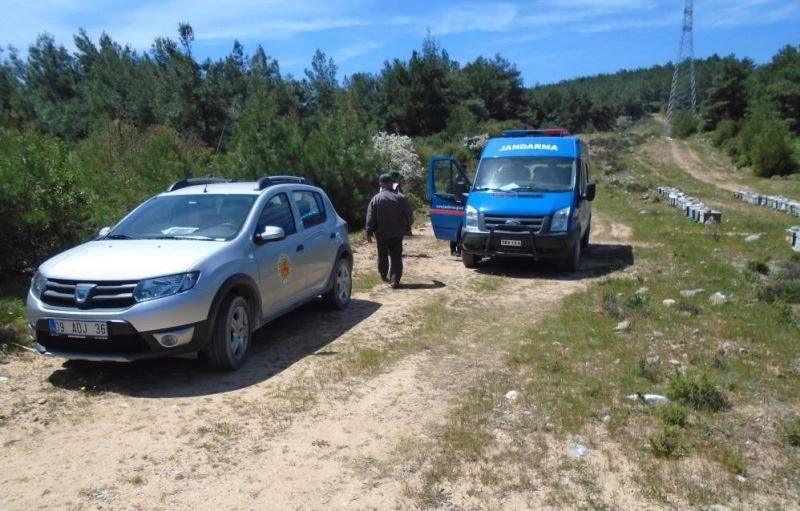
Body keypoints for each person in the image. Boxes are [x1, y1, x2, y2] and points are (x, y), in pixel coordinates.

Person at [365, 174, 414, 289]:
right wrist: (407, 226)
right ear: (391, 183)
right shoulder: (400, 198)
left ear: (381, 184)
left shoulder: (376, 199)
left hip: (381, 233)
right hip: (397, 233)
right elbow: (409, 215)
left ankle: (383, 274)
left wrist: (369, 232)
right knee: (396, 255)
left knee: (382, 254)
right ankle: (395, 279)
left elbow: (370, 217)